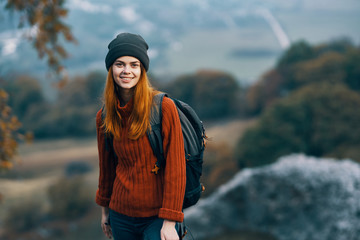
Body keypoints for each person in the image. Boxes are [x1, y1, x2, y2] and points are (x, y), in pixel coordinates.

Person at [95, 32, 186, 240]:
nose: (127, 71)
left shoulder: (163, 108)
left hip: (158, 217)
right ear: (111, 69)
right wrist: (105, 211)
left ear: (142, 70)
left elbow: (176, 167)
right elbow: (107, 168)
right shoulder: (104, 115)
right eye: (120, 64)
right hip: (120, 216)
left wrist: (170, 222)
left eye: (134, 65)